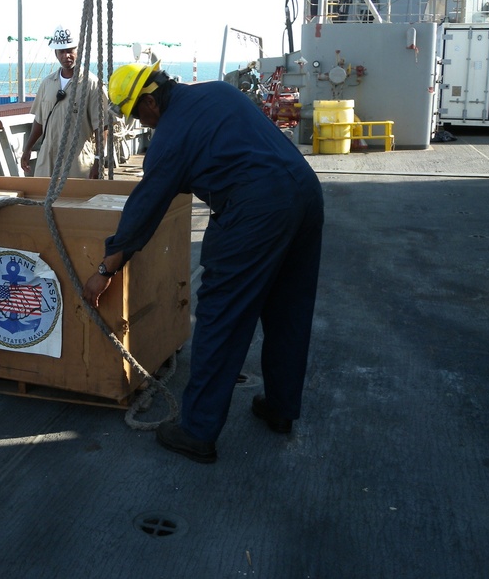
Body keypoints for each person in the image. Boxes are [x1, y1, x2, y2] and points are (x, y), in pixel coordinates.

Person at [82, 62, 325, 464]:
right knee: (288, 310)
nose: (141, 124)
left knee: (221, 315)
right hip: (304, 194)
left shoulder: (170, 137)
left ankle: (197, 431)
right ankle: (281, 408)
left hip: (256, 211)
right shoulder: (218, 91)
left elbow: (145, 208)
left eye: (137, 115)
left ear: (149, 101)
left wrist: (106, 268)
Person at [20, 25, 108, 179]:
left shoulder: (92, 84)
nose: (66, 55)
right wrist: (27, 149)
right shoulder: (47, 84)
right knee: (43, 199)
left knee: (78, 201)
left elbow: (101, 127)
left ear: (78, 51)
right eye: (62, 51)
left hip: (78, 161)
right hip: (47, 158)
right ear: (56, 53)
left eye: (70, 50)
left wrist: (98, 161)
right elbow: (39, 121)